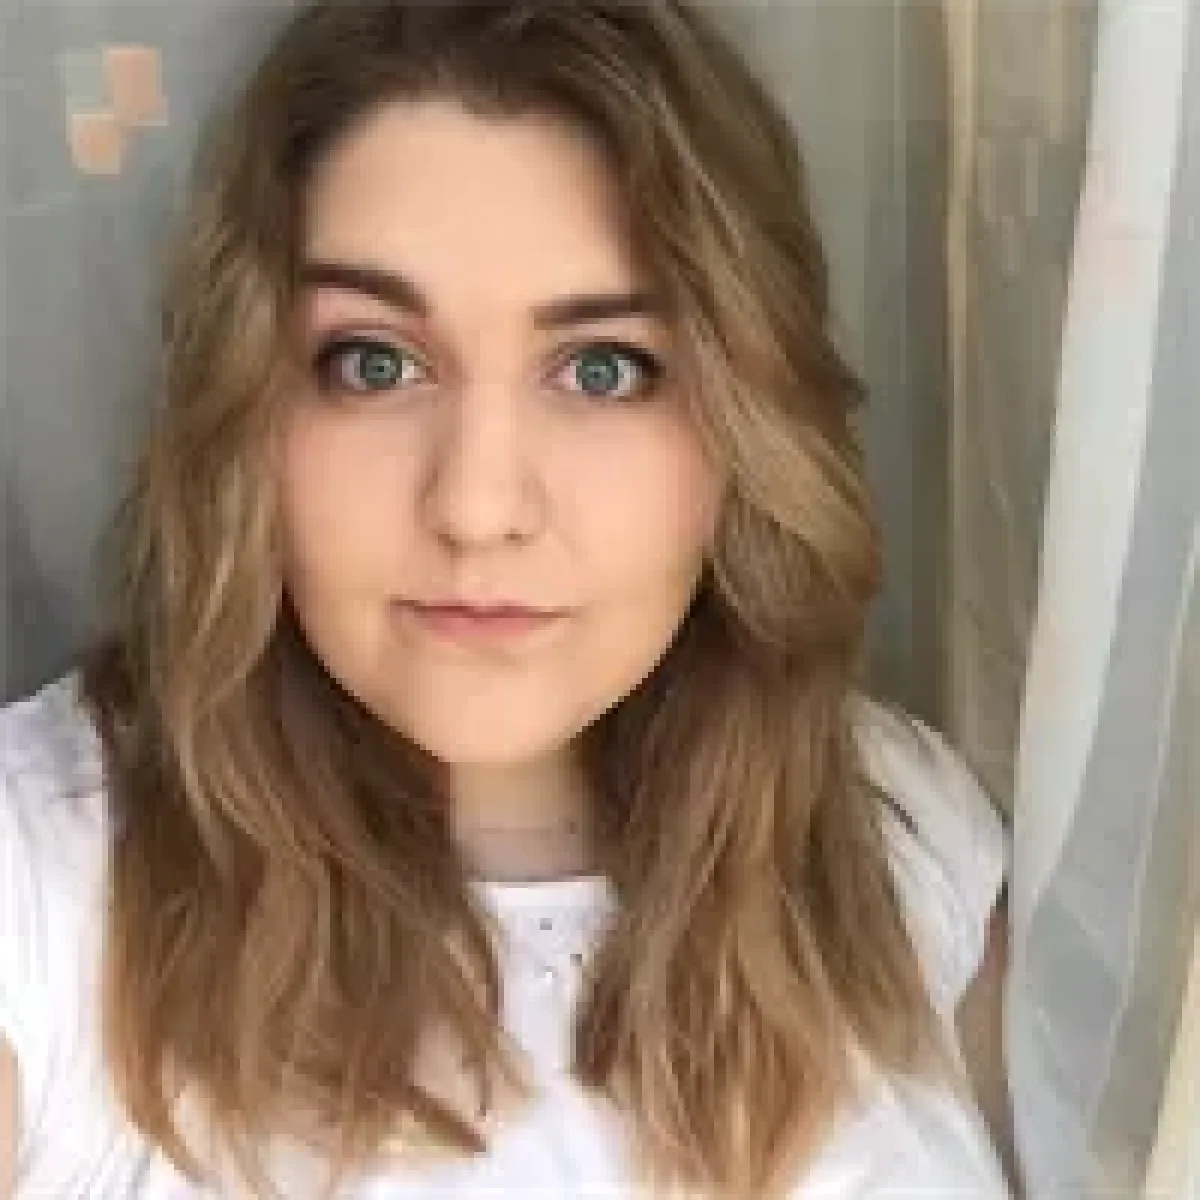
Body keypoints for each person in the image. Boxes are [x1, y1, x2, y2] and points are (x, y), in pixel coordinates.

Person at [0, 0, 1019, 1195]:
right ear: (245, 410)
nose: (478, 507)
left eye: (603, 369)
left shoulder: (902, 837)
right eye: (373, 362)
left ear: (749, 429)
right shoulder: (44, 893)